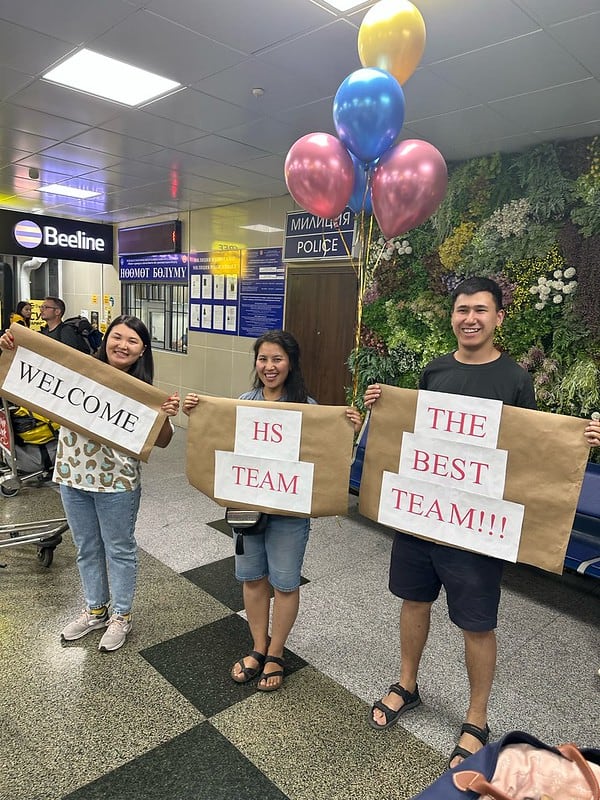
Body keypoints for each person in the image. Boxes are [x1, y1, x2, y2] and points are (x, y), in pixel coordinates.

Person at [364, 277, 564, 767]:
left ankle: (477, 718)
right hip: (424, 517)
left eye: (480, 309)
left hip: (475, 526)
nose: (469, 318)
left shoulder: (515, 380)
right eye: (461, 309)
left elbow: (529, 449)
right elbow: (418, 436)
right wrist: (381, 408)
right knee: (414, 602)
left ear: (498, 318)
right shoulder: (434, 371)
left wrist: (579, 437)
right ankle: (407, 684)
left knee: (477, 623)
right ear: (451, 317)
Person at [184, 329, 361, 691]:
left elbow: (326, 460)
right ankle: (258, 646)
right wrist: (198, 415)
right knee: (252, 579)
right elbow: (224, 444)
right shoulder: (242, 403)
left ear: (291, 363)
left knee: (284, 582)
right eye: (263, 359)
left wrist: (349, 432)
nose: (269, 366)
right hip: (248, 512)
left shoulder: (308, 409)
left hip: (289, 517)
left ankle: (276, 653)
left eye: (277, 359)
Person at [3, 315, 179, 652]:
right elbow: (32, 373)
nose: (122, 345)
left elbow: (164, 441)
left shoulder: (142, 392)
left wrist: (164, 415)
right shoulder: (78, 371)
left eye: (132, 341)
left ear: (142, 351)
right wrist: (12, 351)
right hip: (72, 476)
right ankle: (95, 610)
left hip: (118, 483)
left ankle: (122, 616)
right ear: (106, 339)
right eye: (117, 336)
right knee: (86, 547)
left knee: (119, 549)